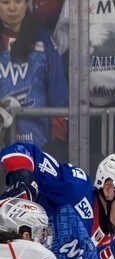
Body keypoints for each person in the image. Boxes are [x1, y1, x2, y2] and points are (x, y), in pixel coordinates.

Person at [0, 0, 68, 152]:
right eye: (5, 2)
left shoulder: (43, 40)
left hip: (39, 144)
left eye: (18, 2)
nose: (12, 8)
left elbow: (58, 91)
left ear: (26, 5)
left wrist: (57, 138)